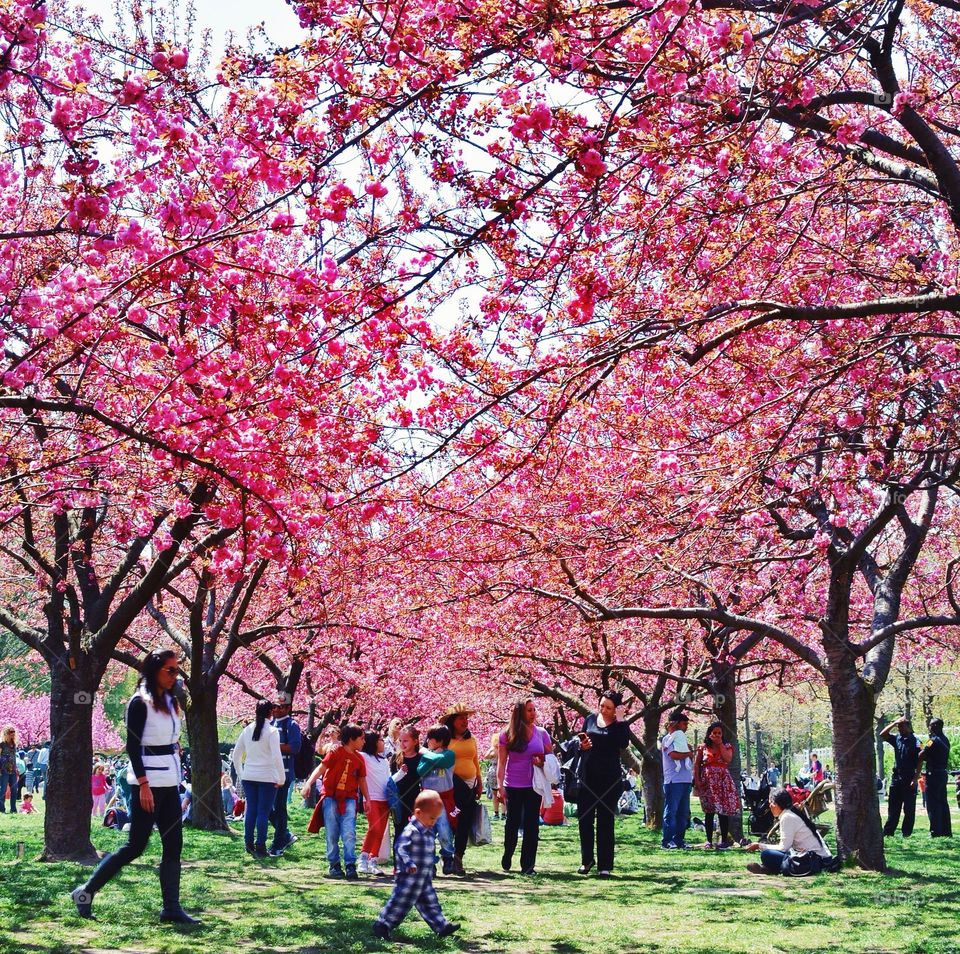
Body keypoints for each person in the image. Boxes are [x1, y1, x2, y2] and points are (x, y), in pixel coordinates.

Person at [70, 648, 200, 924]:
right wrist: (143, 785)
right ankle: (85, 891)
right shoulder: (139, 702)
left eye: (177, 670)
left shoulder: (170, 699)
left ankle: (171, 908)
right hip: (148, 783)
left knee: (174, 844)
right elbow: (132, 746)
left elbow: (170, 739)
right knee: (135, 846)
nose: (176, 675)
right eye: (171, 670)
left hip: (170, 782)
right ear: (155, 671)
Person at [372, 790, 461, 942]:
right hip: (409, 877)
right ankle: (383, 924)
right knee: (400, 902)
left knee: (430, 902)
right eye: (432, 818)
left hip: (423, 877)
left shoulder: (427, 831)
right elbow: (400, 848)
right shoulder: (411, 831)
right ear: (418, 813)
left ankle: (441, 926)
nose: (433, 822)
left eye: (436, 818)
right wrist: (408, 862)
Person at [302, 723, 369, 878]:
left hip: (350, 798)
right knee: (332, 832)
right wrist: (308, 783)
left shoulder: (359, 759)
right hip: (331, 797)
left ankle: (350, 864)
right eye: (361, 739)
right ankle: (334, 864)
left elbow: (362, 781)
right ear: (352, 739)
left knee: (349, 832)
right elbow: (321, 769)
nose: (363, 742)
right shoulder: (335, 752)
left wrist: (368, 799)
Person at [575, 689, 629, 876]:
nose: (603, 710)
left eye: (608, 707)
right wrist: (582, 744)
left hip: (609, 779)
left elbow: (623, 743)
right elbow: (579, 739)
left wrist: (621, 720)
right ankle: (586, 860)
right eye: (601, 706)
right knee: (585, 820)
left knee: (606, 822)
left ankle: (605, 865)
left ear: (616, 709)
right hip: (588, 777)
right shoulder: (590, 719)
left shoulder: (619, 724)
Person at [497, 698, 554, 875]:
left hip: (534, 785)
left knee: (532, 825)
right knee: (512, 823)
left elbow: (550, 757)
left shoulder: (542, 733)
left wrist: (541, 761)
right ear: (520, 712)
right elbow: (501, 762)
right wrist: (500, 786)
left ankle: (528, 865)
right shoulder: (507, 734)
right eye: (529, 710)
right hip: (513, 785)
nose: (533, 713)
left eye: (534, 709)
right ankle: (508, 852)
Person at [232, 699, 286, 858]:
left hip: (249, 776)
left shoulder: (247, 729)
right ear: (271, 712)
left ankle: (248, 843)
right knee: (263, 812)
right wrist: (281, 778)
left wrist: (241, 774)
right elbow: (277, 757)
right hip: (267, 777)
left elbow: (236, 754)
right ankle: (261, 846)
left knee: (251, 811)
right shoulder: (272, 731)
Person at [745, 789, 833, 874]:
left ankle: (769, 869)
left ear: (777, 804)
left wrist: (759, 846)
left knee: (766, 855)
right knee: (773, 855)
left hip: (815, 861)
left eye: (771, 803)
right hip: (818, 858)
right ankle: (769, 868)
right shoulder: (791, 813)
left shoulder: (787, 817)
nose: (770, 806)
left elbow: (783, 848)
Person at [442, 703, 483, 876]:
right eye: (461, 718)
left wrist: (479, 781)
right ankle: (447, 856)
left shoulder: (471, 739)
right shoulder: (445, 739)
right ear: (452, 721)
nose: (465, 721)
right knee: (452, 821)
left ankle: (458, 857)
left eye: (466, 718)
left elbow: (475, 761)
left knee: (465, 821)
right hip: (451, 784)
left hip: (470, 784)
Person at [417, 725, 457, 874]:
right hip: (428, 800)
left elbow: (443, 761)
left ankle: (447, 856)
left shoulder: (449, 754)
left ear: (440, 741)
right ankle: (430, 862)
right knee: (428, 832)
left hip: (444, 800)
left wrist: (426, 752)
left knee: (444, 830)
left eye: (431, 739)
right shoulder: (427, 756)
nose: (427, 741)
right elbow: (420, 771)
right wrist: (429, 754)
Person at [694, 721, 740, 850]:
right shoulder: (702, 748)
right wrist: (697, 780)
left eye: (719, 733)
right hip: (707, 782)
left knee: (723, 812)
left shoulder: (727, 746)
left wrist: (720, 745)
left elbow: (728, 759)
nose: (717, 735)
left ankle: (724, 840)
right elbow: (697, 765)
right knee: (709, 811)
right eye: (715, 733)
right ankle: (708, 840)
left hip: (722, 781)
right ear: (709, 734)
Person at [268, 698, 302, 856]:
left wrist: (273, 745)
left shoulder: (292, 725)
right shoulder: (271, 724)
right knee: (268, 808)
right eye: (273, 706)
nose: (275, 709)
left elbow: (295, 747)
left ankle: (278, 844)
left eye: (280, 706)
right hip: (269, 773)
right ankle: (286, 835)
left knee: (279, 808)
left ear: (288, 707)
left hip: (284, 773)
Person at [879, 716, 921, 838]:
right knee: (893, 807)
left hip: (909, 778)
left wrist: (915, 778)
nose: (899, 729)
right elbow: (882, 734)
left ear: (908, 727)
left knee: (909, 808)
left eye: (901, 727)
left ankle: (906, 832)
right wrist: (894, 723)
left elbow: (920, 761)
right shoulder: (897, 739)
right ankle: (888, 832)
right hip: (897, 777)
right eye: (898, 727)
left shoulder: (916, 741)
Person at [359, 730, 392, 876]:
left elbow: (388, 781)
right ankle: (363, 859)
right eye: (380, 739)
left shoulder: (384, 761)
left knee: (380, 833)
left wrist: (402, 773)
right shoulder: (363, 757)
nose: (383, 742)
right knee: (375, 828)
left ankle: (373, 860)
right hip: (371, 799)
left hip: (385, 800)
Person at [661, 709, 693, 850]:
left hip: (686, 780)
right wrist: (689, 752)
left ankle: (679, 840)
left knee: (683, 812)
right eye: (684, 724)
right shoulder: (668, 738)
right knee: (671, 811)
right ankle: (667, 840)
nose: (686, 727)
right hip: (673, 781)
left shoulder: (682, 739)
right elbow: (674, 755)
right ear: (677, 724)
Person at [916, 718, 952, 837]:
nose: (929, 727)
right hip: (942, 773)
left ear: (936, 726)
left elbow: (922, 755)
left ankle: (935, 831)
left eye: (930, 725)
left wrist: (920, 750)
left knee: (932, 804)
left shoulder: (931, 740)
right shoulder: (945, 740)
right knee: (943, 803)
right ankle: (946, 831)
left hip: (933, 774)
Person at [391, 725, 423, 844]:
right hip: (398, 799)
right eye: (400, 741)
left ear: (415, 741)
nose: (402, 744)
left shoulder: (421, 759)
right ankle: (398, 862)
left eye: (405, 741)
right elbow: (391, 780)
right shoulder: (396, 758)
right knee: (399, 830)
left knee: (415, 831)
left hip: (415, 799)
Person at [485, 730, 505, 820]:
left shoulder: (493, 749)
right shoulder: (504, 748)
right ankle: (504, 814)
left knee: (494, 793)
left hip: (493, 770)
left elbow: (486, 756)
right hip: (503, 770)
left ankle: (496, 813)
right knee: (503, 792)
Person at [0, 725, 18, 814]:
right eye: (11, 732)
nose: (13, 734)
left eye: (14, 732)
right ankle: (1, 809)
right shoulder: (2, 744)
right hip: (3, 770)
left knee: (14, 790)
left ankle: (13, 809)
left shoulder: (13, 744)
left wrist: (16, 768)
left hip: (13, 770)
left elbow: (14, 757)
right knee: (2, 790)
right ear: (6, 733)